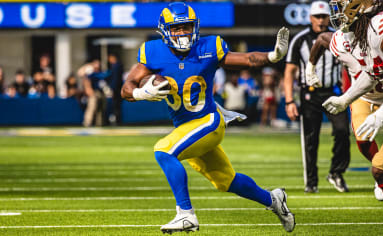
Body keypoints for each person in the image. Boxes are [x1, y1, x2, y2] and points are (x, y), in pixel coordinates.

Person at [121, 2, 295, 234]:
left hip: (208, 121)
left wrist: (273, 56)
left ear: (195, 27)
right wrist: (142, 92)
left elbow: (247, 59)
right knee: (225, 181)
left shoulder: (209, 47)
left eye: (187, 27)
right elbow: (127, 88)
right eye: (177, 28)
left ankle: (186, 215)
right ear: (165, 30)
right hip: (187, 127)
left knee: (164, 150)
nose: (183, 32)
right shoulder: (152, 52)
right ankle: (274, 200)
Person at [321, 0, 383, 234]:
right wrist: (346, 99)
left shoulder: (382, 24)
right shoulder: (357, 34)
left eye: (340, 5)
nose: (336, 12)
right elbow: (372, 74)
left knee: (382, 168)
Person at [306, 31, 383, 201]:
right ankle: (382, 173)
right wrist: (310, 68)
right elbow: (321, 39)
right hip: (362, 96)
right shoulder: (342, 42)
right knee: (363, 140)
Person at [283, 0, 351, 193]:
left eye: (324, 16)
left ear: (329, 17)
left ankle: (336, 172)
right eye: (317, 17)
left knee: (342, 131)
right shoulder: (300, 40)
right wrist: (289, 100)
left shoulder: (338, 37)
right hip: (309, 95)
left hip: (333, 92)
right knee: (310, 140)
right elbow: (289, 72)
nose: (321, 21)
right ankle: (311, 182)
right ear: (311, 18)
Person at [79, 60, 109, 127]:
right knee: (92, 108)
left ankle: (100, 124)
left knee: (101, 109)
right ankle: (87, 123)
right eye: (96, 64)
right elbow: (81, 74)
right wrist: (88, 90)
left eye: (98, 64)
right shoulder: (90, 73)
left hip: (101, 92)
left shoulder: (101, 73)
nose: (97, 65)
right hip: (94, 92)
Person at [107, 54, 124, 125]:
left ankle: (117, 121)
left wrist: (113, 89)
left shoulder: (115, 66)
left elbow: (115, 79)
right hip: (118, 88)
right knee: (117, 106)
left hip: (116, 89)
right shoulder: (118, 66)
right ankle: (117, 120)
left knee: (115, 105)